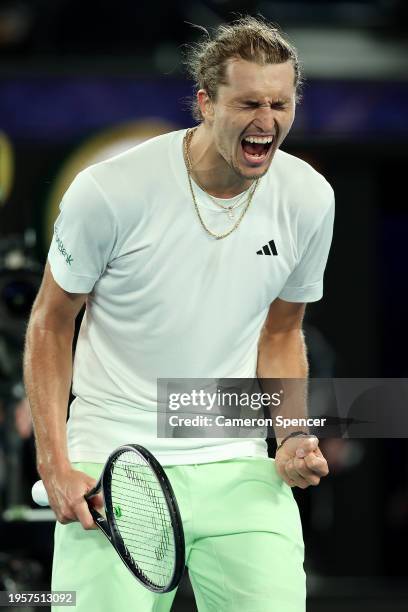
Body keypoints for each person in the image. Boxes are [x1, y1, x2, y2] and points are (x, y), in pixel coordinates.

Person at [24, 15, 333, 612]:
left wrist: (291, 433)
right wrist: (56, 465)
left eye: (280, 103)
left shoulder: (309, 198)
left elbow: (282, 329)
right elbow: (50, 323)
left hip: (236, 464)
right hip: (112, 462)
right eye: (247, 102)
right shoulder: (110, 191)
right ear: (204, 104)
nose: (266, 122)